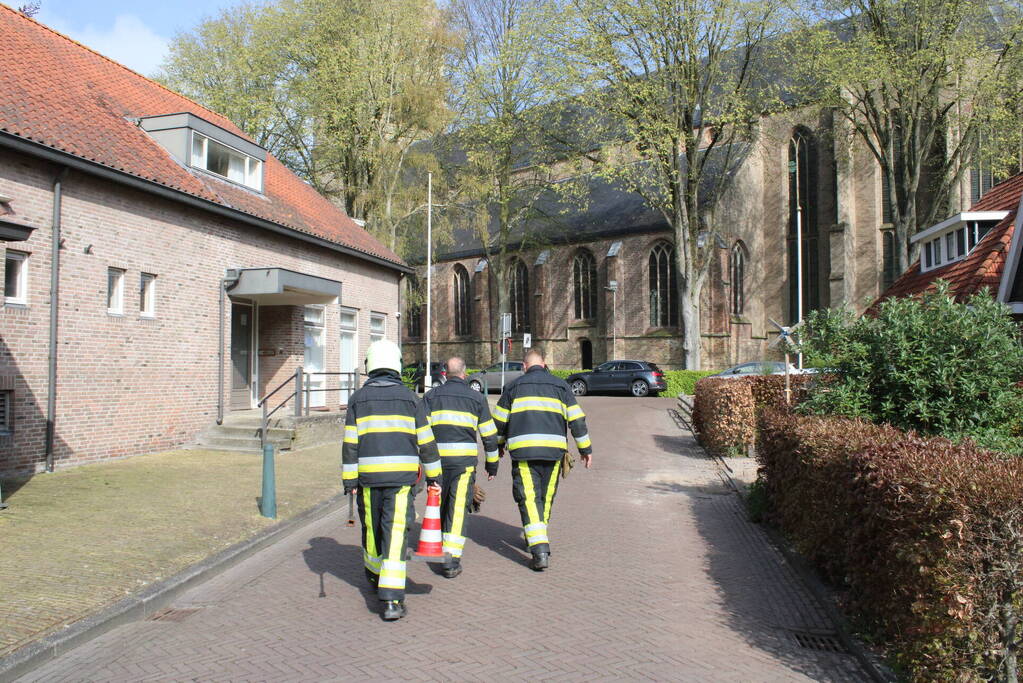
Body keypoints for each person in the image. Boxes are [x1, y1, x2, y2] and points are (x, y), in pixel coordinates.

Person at [341, 339, 441, 621]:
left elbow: (350, 443)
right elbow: (427, 441)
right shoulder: (411, 399)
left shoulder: (357, 399)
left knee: (372, 530)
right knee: (396, 532)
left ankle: (374, 577)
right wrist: (435, 475)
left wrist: (349, 481)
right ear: (396, 364)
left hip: (368, 481)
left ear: (370, 365)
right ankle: (392, 599)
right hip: (400, 481)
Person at [493, 347, 592, 571]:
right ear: (545, 364)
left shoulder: (513, 387)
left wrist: (498, 446)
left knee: (529, 498)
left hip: (524, 453)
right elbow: (577, 420)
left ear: (524, 367)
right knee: (545, 499)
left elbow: (498, 422)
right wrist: (585, 449)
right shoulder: (561, 386)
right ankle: (537, 537)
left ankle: (539, 549)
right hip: (554, 453)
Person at [423, 357, 500, 579]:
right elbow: (489, 435)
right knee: (456, 510)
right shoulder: (476, 398)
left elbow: (420, 432)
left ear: (445, 374)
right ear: (464, 374)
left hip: (436, 465)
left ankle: (439, 544)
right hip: (463, 465)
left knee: (438, 504)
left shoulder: (430, 397)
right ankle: (450, 560)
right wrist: (492, 465)